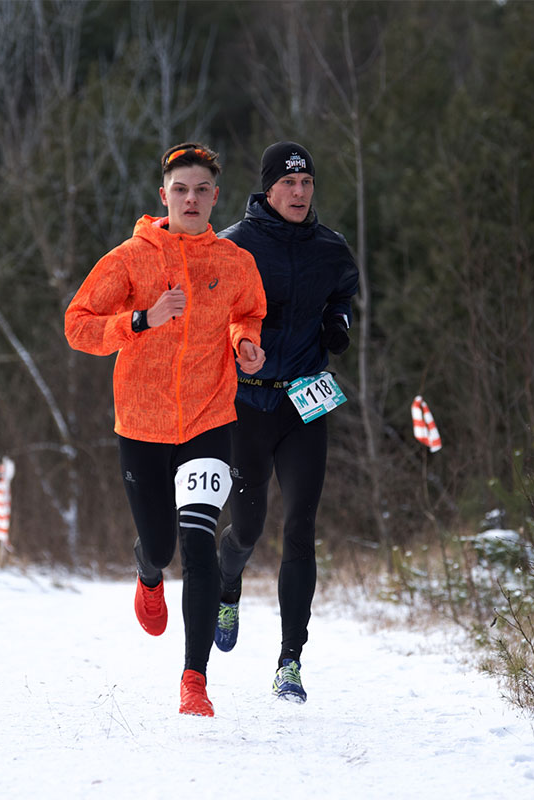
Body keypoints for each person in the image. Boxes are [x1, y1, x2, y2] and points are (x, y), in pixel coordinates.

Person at [64, 143, 266, 717]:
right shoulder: (129, 258)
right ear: (163, 197)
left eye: (203, 189)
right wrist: (140, 320)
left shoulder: (233, 261)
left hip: (208, 421)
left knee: (200, 545)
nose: (192, 199)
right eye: (181, 189)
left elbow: (248, 311)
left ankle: (194, 680)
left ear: (216, 197)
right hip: (143, 424)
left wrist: (245, 344)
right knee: (162, 544)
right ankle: (147, 570)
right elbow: (77, 325)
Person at [214, 141, 359, 703]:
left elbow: (341, 294)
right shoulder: (234, 245)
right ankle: (229, 583)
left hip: (305, 400)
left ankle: (290, 662)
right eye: (290, 184)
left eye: (308, 183)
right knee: (247, 526)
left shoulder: (331, 247)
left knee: (301, 525)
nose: (300, 193)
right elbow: (213, 314)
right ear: (269, 188)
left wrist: (337, 324)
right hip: (247, 402)